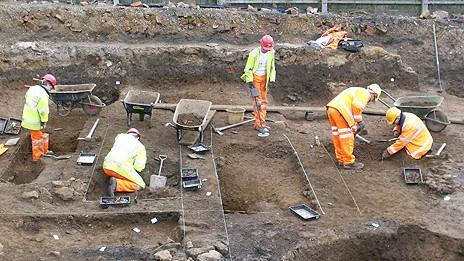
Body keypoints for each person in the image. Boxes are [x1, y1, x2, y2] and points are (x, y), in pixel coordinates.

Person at [326, 84, 382, 170]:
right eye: (372, 99)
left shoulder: (357, 90)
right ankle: (348, 162)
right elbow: (356, 106)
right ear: (374, 95)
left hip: (332, 109)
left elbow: (352, 107)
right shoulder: (365, 94)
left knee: (337, 135)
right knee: (346, 137)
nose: (370, 101)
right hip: (341, 111)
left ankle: (341, 159)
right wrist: (359, 121)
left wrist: (354, 125)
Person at [241, 34, 276, 137]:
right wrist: (250, 82)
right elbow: (248, 69)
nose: (267, 50)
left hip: (264, 79)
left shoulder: (271, 53)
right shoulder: (254, 54)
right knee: (258, 103)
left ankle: (260, 122)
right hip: (255, 79)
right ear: (261, 45)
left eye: (268, 49)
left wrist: (272, 79)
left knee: (263, 101)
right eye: (265, 48)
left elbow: (272, 66)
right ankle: (261, 124)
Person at [21, 74, 57, 161]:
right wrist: (44, 120)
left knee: (40, 135)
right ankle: (37, 157)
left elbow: (27, 98)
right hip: (34, 120)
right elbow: (43, 110)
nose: (51, 89)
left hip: (28, 117)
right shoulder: (43, 94)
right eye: (51, 87)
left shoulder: (33, 88)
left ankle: (44, 151)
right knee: (37, 138)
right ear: (47, 84)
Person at [102, 128, 147, 197]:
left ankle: (116, 180)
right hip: (120, 167)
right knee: (141, 185)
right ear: (138, 138)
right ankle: (117, 184)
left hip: (106, 166)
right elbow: (138, 167)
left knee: (122, 173)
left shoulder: (119, 137)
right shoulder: (140, 147)